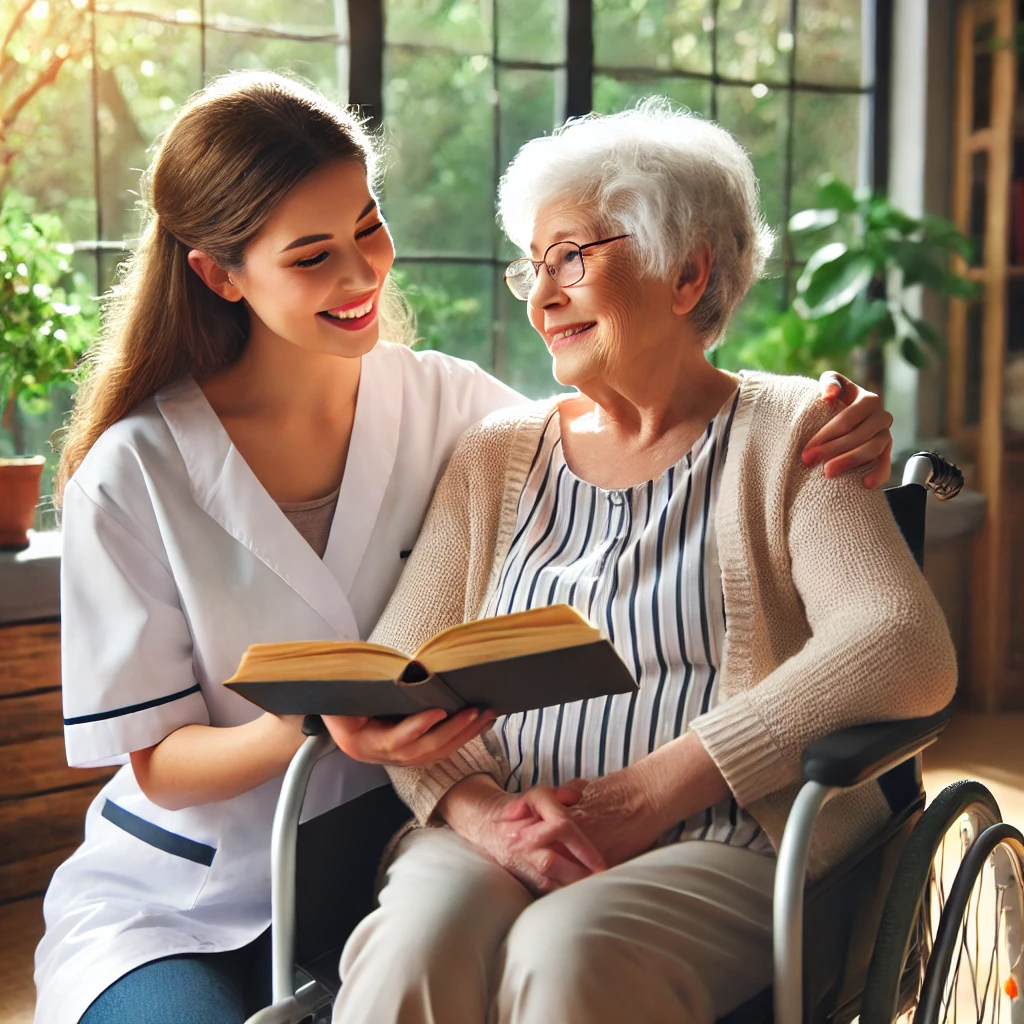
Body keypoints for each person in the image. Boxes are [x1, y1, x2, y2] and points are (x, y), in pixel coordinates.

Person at [35, 73, 895, 1024]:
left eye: (369, 226)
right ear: (219, 273)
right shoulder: (133, 472)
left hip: (414, 841)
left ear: (689, 272)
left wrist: (834, 416)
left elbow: (632, 409)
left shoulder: (458, 407)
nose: (363, 275)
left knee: (553, 958)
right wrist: (333, 732)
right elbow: (155, 759)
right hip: (193, 889)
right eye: (313, 255)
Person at [326, 101, 958, 1024]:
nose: (542, 296)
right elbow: (399, 672)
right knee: (407, 955)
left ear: (687, 270)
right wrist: (474, 813)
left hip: (733, 836)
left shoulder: (798, 432)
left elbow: (902, 644)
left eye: (572, 258)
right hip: (503, 820)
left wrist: (643, 796)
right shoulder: (496, 453)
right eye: (532, 268)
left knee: (569, 954)